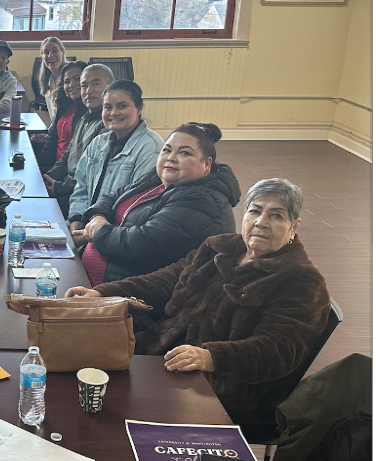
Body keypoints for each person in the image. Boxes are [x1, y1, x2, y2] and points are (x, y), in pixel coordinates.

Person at [67, 179, 331, 425]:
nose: (261, 222)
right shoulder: (220, 246)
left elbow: (280, 350)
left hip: (221, 385)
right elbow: (166, 280)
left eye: (276, 215)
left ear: (294, 226)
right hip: (161, 353)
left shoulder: (301, 280)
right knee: (77, 364)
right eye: (255, 211)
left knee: (108, 413)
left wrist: (211, 357)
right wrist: (104, 293)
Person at [76, 122, 240, 285]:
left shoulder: (204, 201)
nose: (171, 158)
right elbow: (115, 195)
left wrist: (98, 232)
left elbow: (140, 245)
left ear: (206, 164)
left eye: (184, 153)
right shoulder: (160, 178)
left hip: (129, 293)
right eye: (167, 150)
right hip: (98, 275)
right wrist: (98, 216)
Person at [68, 80, 164, 242]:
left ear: (139, 108)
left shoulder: (151, 149)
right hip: (86, 227)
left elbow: (134, 207)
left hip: (116, 236)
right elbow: (81, 188)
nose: (113, 113)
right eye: (108, 107)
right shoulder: (98, 143)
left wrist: (90, 235)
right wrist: (75, 223)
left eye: (121, 106)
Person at [43, 63, 114, 215]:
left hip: (80, 197)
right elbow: (67, 156)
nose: (89, 91)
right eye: (84, 86)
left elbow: (88, 175)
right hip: (67, 186)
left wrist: (58, 187)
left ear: (110, 87)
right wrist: (48, 176)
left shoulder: (106, 126)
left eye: (96, 84)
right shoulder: (84, 119)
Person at [36, 60, 87, 173]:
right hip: (53, 165)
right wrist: (38, 167)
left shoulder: (89, 111)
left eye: (77, 79)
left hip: (68, 172)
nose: (71, 85)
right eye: (67, 81)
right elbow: (52, 138)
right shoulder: (65, 104)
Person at [35, 36, 67, 116]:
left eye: (54, 51)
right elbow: (54, 117)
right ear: (42, 57)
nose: (50, 55)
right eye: (46, 52)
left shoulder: (70, 78)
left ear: (62, 52)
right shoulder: (49, 81)